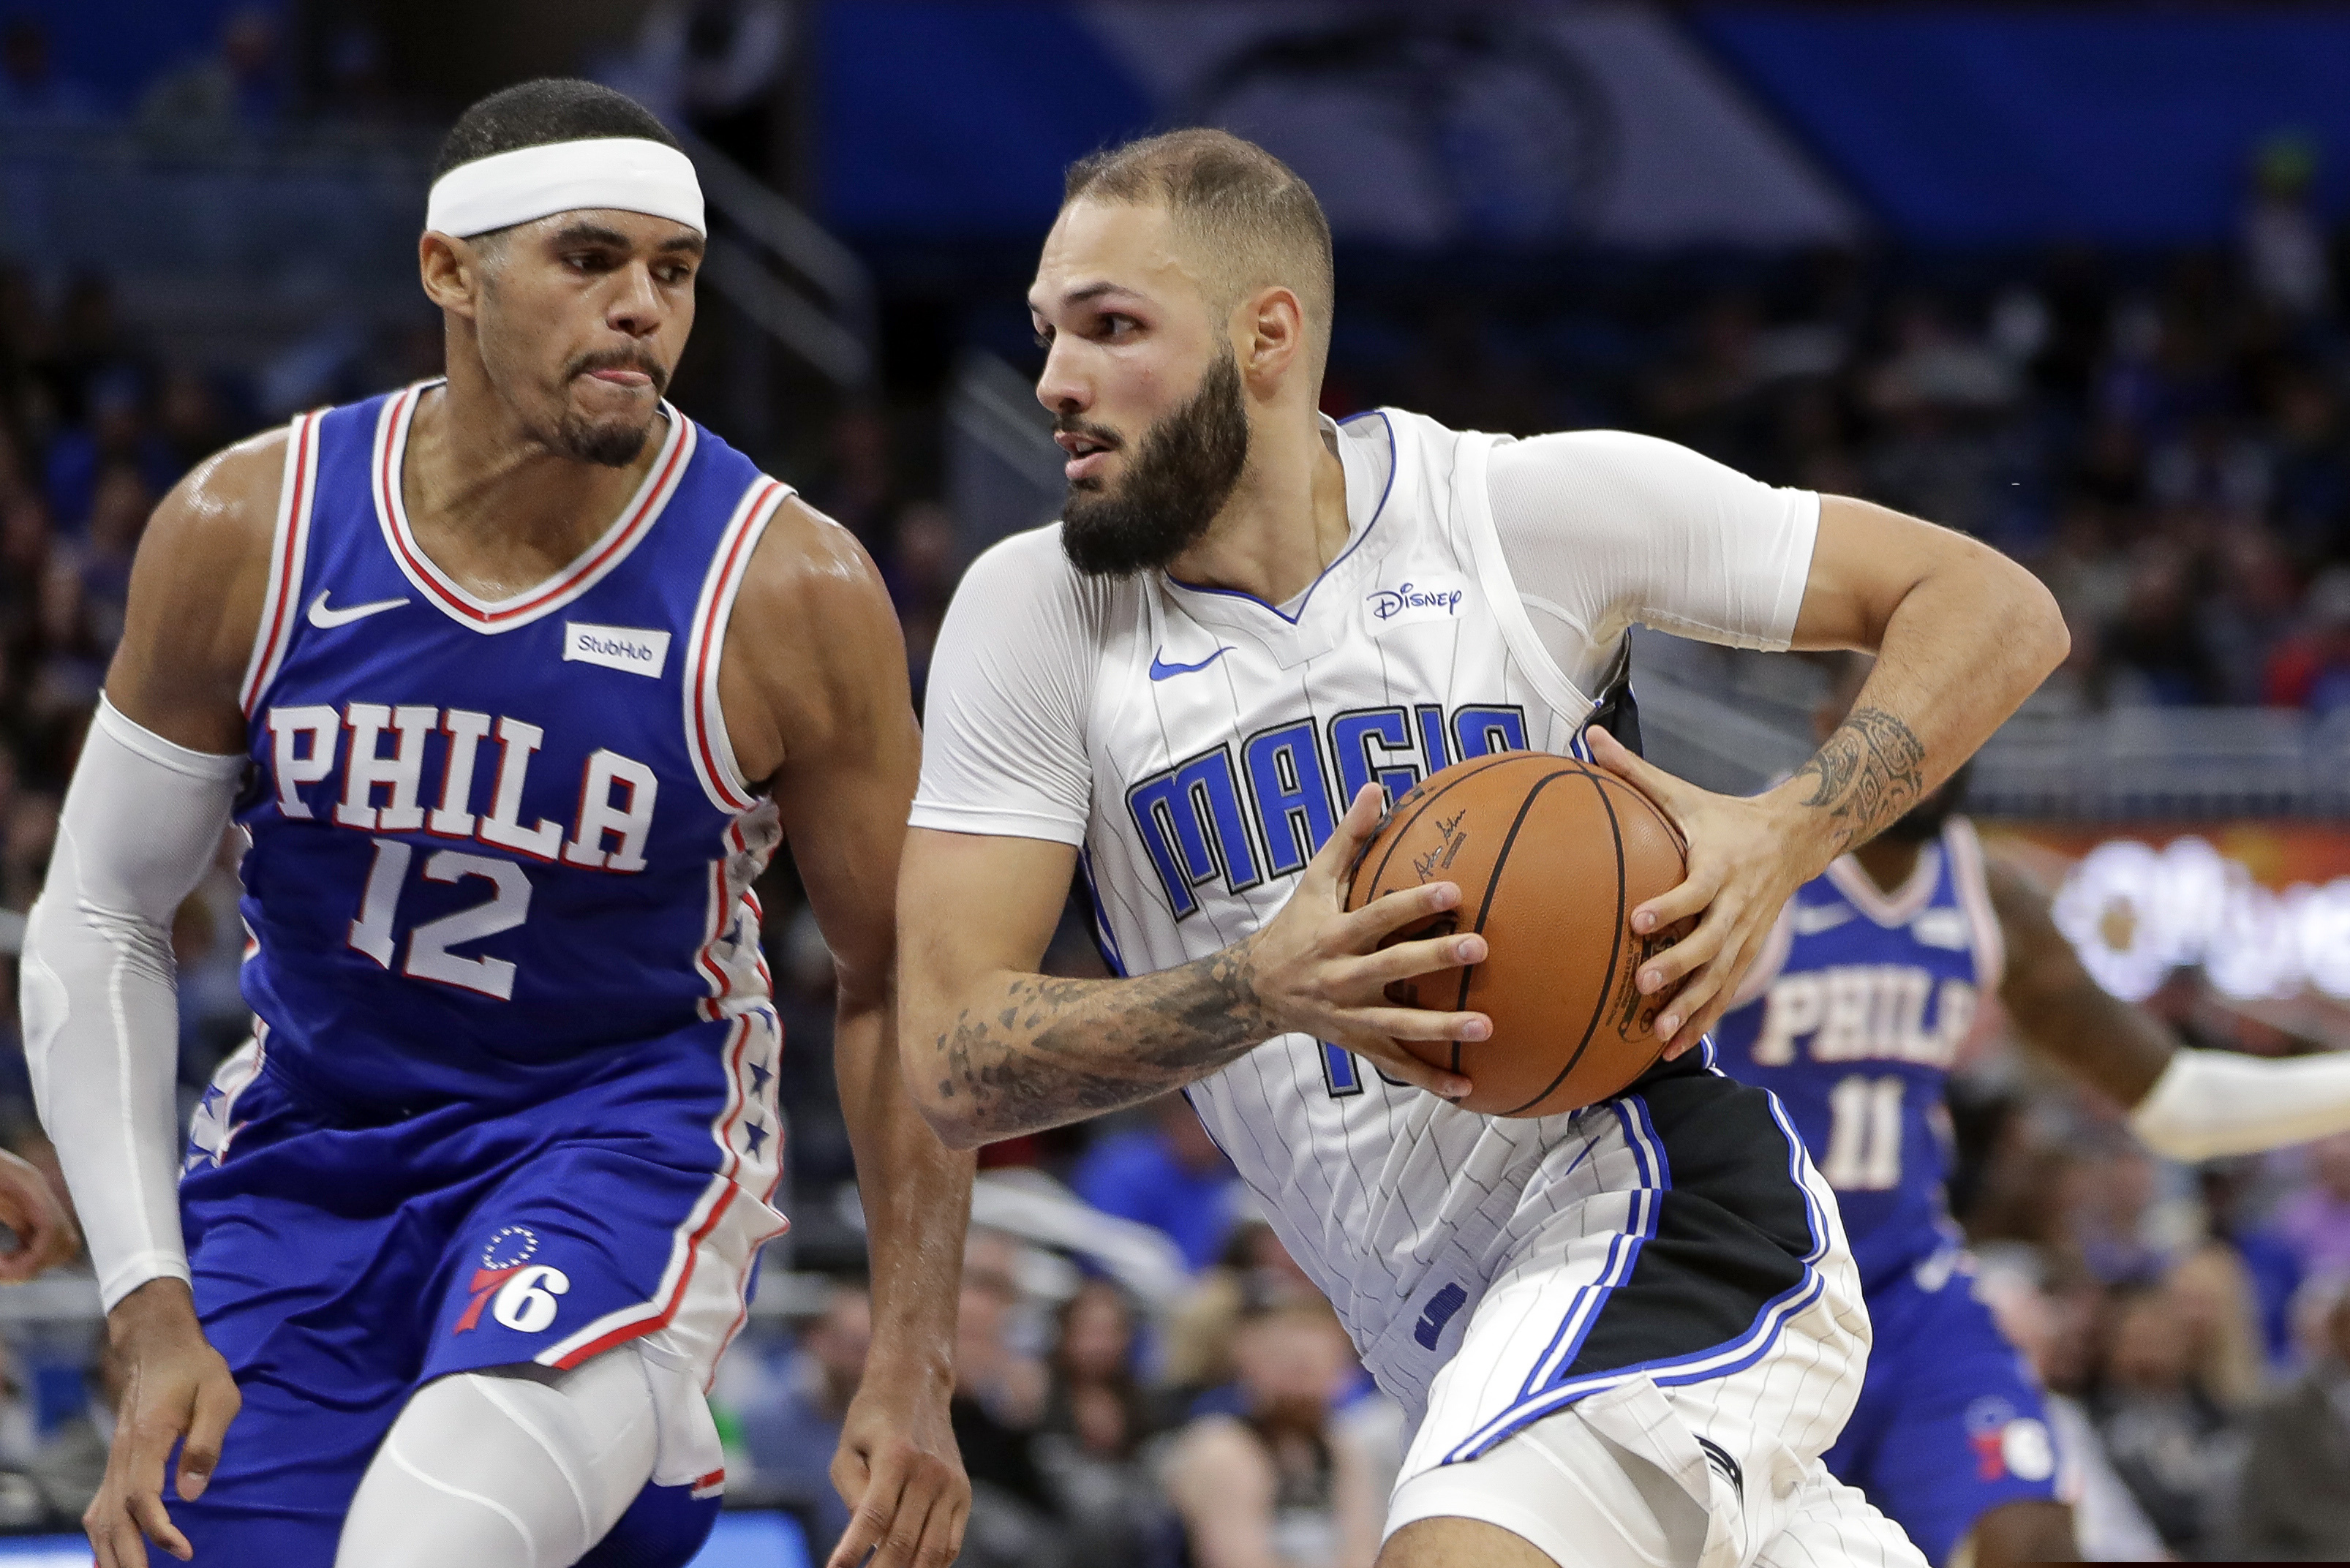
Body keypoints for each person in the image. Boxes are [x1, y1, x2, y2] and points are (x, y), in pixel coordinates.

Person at [897, 126, 2071, 1568]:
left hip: (1646, 1209)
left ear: (1267, 336)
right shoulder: (1031, 617)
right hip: (1435, 1337)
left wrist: (1782, 831)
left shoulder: (1514, 514)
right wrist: (1257, 986)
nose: (1056, 382)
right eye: (1046, 333)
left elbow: (1992, 604)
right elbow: (951, 1059)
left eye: (1110, 328)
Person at [17, 79, 973, 1568]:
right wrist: (147, 1295)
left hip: (614, 1142)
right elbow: (103, 911)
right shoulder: (246, 532)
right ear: (448, 268)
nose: (642, 307)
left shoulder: (786, 589)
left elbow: (902, 977)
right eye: (589, 259)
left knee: (425, 1544)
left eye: (674, 271)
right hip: (312, 1152)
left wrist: (914, 1356)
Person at [1712, 655, 2350, 1566]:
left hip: (1906, 1289)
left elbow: (2179, 1103)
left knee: (2036, 1532)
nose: (1926, 747)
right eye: (1895, 719)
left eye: (1952, 722)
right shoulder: (1747, 861)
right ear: (1826, 727)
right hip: (1749, 1294)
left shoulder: (1989, 892)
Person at [1164, 1298, 1383, 1568]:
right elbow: (1237, 1560)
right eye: (1292, 1363)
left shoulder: (1340, 1446)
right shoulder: (1223, 1449)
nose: (1304, 1381)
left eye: (1318, 1363)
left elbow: (1363, 1550)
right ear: (1250, 1364)